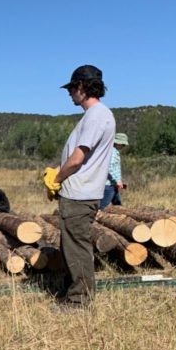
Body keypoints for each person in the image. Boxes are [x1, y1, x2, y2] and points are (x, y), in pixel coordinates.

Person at [51, 65, 116, 308]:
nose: (69, 94)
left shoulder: (97, 115)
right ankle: (72, 291)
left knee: (77, 248)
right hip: (78, 192)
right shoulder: (95, 116)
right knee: (71, 245)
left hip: (80, 194)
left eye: (71, 88)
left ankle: (79, 300)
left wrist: (56, 179)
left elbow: (78, 158)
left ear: (81, 87)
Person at [100, 132, 129, 209]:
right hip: (109, 185)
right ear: (117, 143)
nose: (123, 146)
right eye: (123, 144)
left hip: (113, 184)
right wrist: (117, 181)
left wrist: (118, 181)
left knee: (118, 206)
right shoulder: (112, 152)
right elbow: (109, 167)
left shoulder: (113, 151)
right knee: (102, 208)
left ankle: (121, 219)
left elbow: (115, 169)